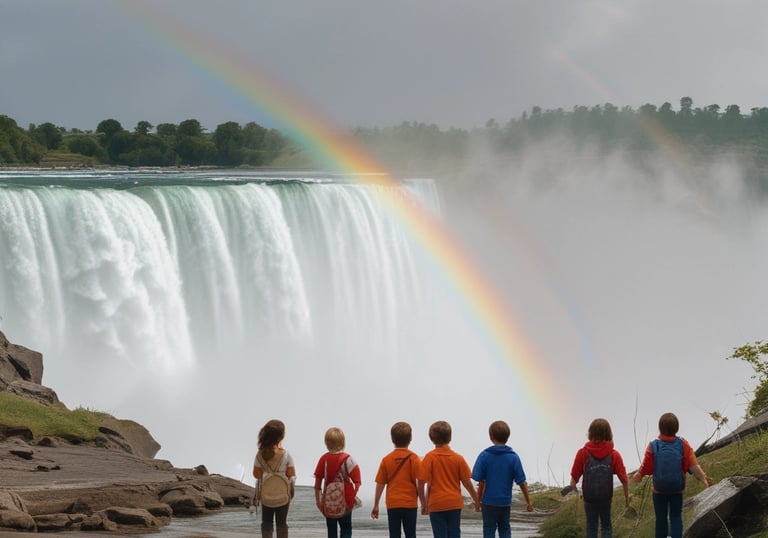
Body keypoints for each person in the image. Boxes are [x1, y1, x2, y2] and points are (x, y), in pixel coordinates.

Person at [630, 412, 709, 538]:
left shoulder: (653, 445)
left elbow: (646, 468)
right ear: (676, 428)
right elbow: (693, 466)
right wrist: (703, 478)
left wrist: (638, 476)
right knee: (676, 517)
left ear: (660, 428)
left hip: (659, 490)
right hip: (677, 489)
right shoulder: (683, 444)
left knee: (661, 519)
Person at [417, 420, 480, 538]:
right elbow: (467, 482)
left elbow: (421, 483)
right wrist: (476, 499)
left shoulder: (429, 458)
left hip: (436, 504)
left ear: (431, 438)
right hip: (454, 503)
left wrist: (423, 503)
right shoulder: (458, 458)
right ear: (450, 437)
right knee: (454, 533)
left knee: (439, 535)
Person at [471, 420, 533, 538]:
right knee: (504, 528)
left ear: (491, 437)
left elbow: (480, 480)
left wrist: (477, 501)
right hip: (505, 502)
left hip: (488, 502)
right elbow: (522, 482)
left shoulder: (484, 456)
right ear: (507, 437)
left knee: (489, 529)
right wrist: (528, 501)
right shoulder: (513, 457)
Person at [568, 418, 629, 538]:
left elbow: (573, 479)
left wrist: (577, 493)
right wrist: (627, 499)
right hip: (606, 498)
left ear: (590, 433)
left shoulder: (582, 453)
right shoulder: (614, 455)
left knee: (591, 527)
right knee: (606, 526)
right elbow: (625, 479)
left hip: (589, 499)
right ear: (608, 434)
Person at [371, 421, 425, 538]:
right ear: (410, 438)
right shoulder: (414, 459)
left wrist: (376, 504)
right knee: (411, 534)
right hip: (410, 504)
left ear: (392, 438)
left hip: (393, 503)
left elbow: (380, 484)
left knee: (394, 534)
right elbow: (420, 482)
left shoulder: (386, 459)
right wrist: (423, 502)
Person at [314, 427, 362, 538]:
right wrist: (352, 496)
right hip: (345, 501)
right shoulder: (348, 459)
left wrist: (319, 502)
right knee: (346, 528)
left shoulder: (323, 459)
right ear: (343, 442)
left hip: (329, 502)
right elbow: (357, 481)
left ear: (326, 443)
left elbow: (317, 484)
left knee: (331, 530)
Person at [252, 419, 296, 538]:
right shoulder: (286, 455)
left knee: (266, 523)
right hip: (283, 496)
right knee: (281, 524)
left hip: (266, 495)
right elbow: (291, 475)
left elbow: (256, 474)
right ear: (281, 436)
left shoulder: (260, 454)